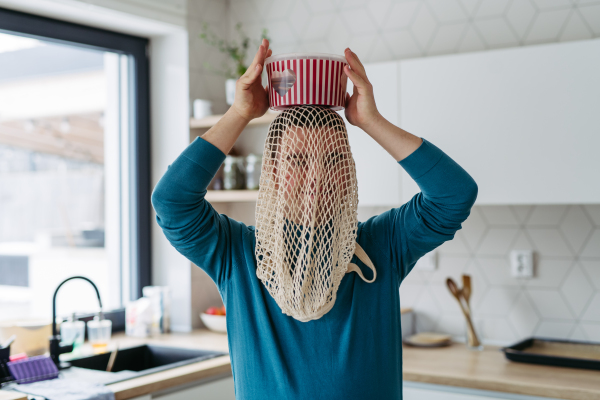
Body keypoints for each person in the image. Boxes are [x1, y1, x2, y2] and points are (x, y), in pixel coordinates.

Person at [151, 39, 478, 399]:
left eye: (335, 159)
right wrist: (239, 113)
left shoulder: (383, 245)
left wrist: (370, 120)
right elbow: (172, 202)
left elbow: (454, 195)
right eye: (299, 161)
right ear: (272, 170)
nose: (318, 177)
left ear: (351, 170)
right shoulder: (238, 254)